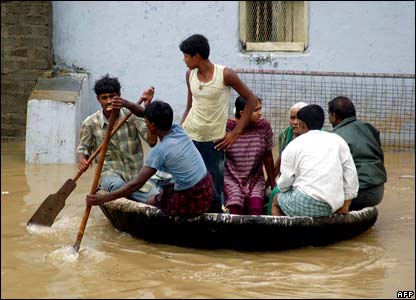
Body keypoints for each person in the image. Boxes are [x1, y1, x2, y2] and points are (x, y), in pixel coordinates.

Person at [86, 100, 214, 217]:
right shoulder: (178, 130)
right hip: (207, 190)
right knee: (162, 184)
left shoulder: (159, 152)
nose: (145, 124)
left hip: (191, 200)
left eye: (146, 122)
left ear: (152, 126)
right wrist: (125, 103)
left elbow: (135, 185)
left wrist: (104, 199)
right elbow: (143, 113)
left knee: (150, 200)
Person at [179, 33, 257, 213]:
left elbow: (251, 100)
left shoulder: (226, 75)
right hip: (190, 137)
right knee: (189, 183)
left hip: (214, 142)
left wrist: (235, 133)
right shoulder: (190, 74)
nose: (184, 60)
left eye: (186, 56)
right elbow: (190, 106)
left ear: (196, 57)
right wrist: (181, 132)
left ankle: (216, 219)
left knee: (214, 189)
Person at [77, 74, 159, 203]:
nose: (109, 101)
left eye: (112, 96)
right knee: (118, 187)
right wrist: (82, 161)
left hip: (136, 178)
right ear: (98, 99)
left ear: (119, 96)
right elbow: (83, 150)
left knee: (156, 199)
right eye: (104, 98)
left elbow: (152, 142)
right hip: (110, 175)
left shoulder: (131, 115)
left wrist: (147, 109)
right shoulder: (90, 123)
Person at [271, 104, 359, 217]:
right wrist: (345, 205)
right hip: (334, 204)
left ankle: (281, 234)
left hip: (307, 203)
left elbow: (284, 183)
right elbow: (351, 175)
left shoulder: (293, 145)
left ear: (301, 124)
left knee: (276, 200)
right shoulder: (338, 140)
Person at [328, 96, 387, 210]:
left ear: (334, 116)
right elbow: (380, 156)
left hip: (358, 194)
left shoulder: (335, 137)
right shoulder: (370, 128)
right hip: (378, 190)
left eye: (329, 115)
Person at [223, 96, 275, 215]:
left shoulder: (263, 127)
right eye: (256, 110)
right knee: (234, 207)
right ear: (242, 113)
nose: (260, 113)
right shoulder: (226, 128)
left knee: (256, 208)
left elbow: (268, 156)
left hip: (254, 178)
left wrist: (273, 184)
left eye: (260, 109)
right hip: (231, 178)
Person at [267, 101, 308, 214]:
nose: (295, 122)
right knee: (275, 191)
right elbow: (280, 161)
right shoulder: (285, 135)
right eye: (292, 118)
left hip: (305, 179)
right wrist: (269, 182)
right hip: (288, 178)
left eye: (298, 118)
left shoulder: (315, 134)